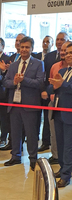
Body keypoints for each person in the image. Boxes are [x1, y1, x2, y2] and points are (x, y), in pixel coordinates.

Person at [3, 37, 44, 171]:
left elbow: (39, 83)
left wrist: (23, 80)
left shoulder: (38, 64)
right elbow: (5, 82)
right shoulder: (14, 65)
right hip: (14, 104)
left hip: (30, 105)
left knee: (31, 133)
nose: (24, 50)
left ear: (32, 49)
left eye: (27, 47)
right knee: (15, 132)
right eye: (22, 47)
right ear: (19, 48)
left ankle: (33, 159)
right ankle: (16, 156)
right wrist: (14, 82)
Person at [38, 32, 69, 153]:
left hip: (67, 105)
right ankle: (56, 155)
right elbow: (48, 82)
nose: (64, 53)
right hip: (53, 100)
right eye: (58, 39)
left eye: (67, 52)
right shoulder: (54, 63)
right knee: (54, 129)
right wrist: (48, 91)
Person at [47, 43, 72, 187]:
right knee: (61, 145)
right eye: (67, 53)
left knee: (68, 146)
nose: (68, 55)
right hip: (58, 114)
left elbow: (67, 87)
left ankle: (66, 175)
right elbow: (51, 88)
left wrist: (63, 85)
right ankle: (63, 169)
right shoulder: (62, 72)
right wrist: (55, 85)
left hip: (69, 115)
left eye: (71, 52)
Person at [0, 37, 11, 147]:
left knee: (3, 117)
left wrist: (3, 70)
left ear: (3, 47)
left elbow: (8, 77)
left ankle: (3, 138)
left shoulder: (7, 59)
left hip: (2, 92)